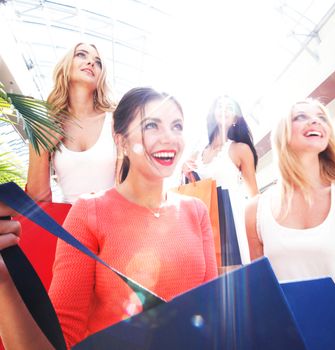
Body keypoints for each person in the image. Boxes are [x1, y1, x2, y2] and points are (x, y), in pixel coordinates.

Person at [0, 87, 218, 349]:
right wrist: (3, 286)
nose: (169, 137)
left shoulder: (196, 211)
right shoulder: (89, 212)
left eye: (177, 126)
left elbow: (211, 314)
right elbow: (60, 341)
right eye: (152, 125)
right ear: (122, 141)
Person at [245, 98, 335, 306]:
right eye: (301, 117)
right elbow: (261, 290)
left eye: (322, 118)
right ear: (282, 132)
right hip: (289, 336)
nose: (315, 122)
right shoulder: (256, 211)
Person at [26, 43, 117, 204]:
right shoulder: (49, 125)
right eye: (81, 54)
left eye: (98, 62)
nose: (91, 62)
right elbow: (38, 202)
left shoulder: (114, 120)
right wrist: (40, 150)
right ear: (66, 66)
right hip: (68, 224)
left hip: (112, 222)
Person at [185, 95, 259, 265]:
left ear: (236, 118)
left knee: (233, 278)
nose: (224, 109)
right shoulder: (196, 154)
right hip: (203, 224)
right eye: (220, 106)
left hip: (232, 221)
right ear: (212, 113)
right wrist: (185, 173)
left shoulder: (240, 149)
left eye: (230, 107)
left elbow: (254, 194)